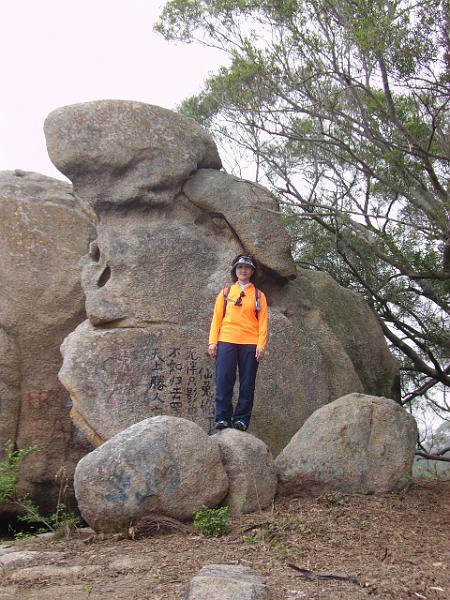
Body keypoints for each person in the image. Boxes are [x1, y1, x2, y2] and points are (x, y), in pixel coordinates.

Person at [208, 254, 269, 431]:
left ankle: (241, 419)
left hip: (250, 343)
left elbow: (263, 321)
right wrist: (213, 342)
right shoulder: (226, 293)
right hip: (226, 340)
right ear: (235, 270)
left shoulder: (259, 295)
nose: (243, 270)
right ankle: (222, 418)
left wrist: (261, 345)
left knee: (247, 382)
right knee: (224, 379)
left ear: (252, 271)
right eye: (240, 267)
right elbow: (216, 318)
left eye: (247, 267)